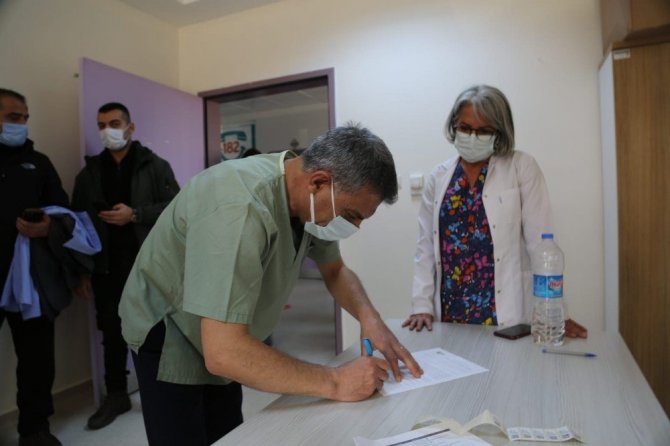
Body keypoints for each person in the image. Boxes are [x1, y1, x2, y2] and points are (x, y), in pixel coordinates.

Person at [119, 124, 423, 445]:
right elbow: (224, 352)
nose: (354, 226)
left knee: (227, 431)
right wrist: (335, 381)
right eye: (351, 215)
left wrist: (369, 317)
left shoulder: (309, 201)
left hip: (225, 332)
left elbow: (335, 271)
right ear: (318, 182)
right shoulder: (239, 206)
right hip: (170, 326)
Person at [402, 85, 587, 337]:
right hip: (449, 312)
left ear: (499, 132)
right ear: (454, 126)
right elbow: (425, 248)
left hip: (505, 315)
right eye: (465, 128)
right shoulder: (439, 177)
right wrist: (421, 305)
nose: (472, 137)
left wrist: (557, 313)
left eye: (483, 131)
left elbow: (541, 245)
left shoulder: (521, 167)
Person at [71, 102, 179, 430]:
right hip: (105, 267)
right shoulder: (89, 173)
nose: (108, 131)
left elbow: (176, 208)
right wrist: (82, 270)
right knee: (111, 332)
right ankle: (117, 395)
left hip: (146, 264)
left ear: (130, 127)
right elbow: (77, 224)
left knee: (154, 330)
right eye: (102, 125)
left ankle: (162, 392)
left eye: (115, 123)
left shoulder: (155, 166)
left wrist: (135, 214)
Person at [0, 88, 70, 446]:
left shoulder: (39, 162)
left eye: (25, 118)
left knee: (37, 358)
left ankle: (35, 429)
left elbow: (64, 212)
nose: (22, 124)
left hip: (30, 276)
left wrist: (47, 228)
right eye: (14, 117)